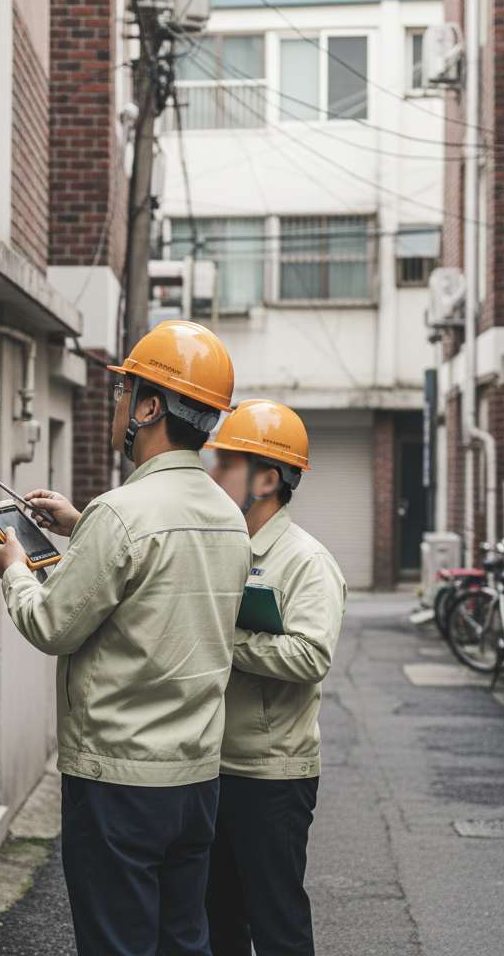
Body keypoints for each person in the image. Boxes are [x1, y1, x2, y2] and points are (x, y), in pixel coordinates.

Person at [0, 320, 252, 956]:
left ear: (150, 408)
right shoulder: (228, 517)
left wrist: (16, 569)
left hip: (119, 781)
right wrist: (82, 526)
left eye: (123, 392)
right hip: (195, 780)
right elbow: (161, 578)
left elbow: (51, 625)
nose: (116, 403)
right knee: (183, 939)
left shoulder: (121, 514)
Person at [203, 399, 346, 956]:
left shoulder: (307, 561)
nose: (213, 473)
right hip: (212, 766)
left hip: (272, 774)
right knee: (218, 922)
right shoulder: (223, 546)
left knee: (277, 923)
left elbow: (311, 656)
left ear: (266, 479)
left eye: (226, 463)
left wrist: (224, 638)